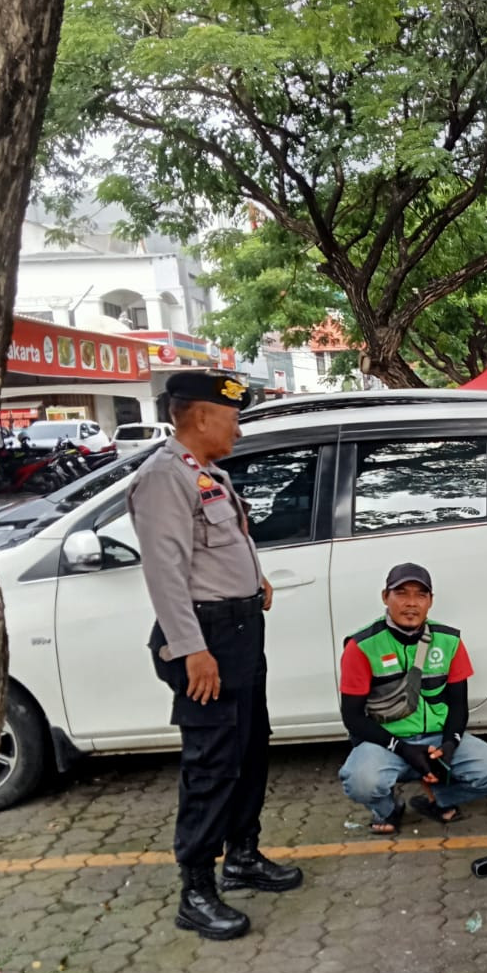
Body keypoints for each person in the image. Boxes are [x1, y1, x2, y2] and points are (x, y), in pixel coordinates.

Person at [127, 370, 302, 942]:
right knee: (211, 763)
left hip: (240, 631)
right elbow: (167, 575)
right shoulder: (163, 479)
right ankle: (196, 889)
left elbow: (217, 551)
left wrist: (256, 581)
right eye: (231, 417)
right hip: (206, 639)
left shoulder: (208, 475)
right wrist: (192, 649)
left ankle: (242, 856)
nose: (237, 427)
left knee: (250, 749)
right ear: (200, 416)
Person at [338, 563, 487, 832]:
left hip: (436, 738)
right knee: (361, 781)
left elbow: (458, 705)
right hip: (386, 743)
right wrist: (403, 748)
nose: (411, 603)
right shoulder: (361, 646)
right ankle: (388, 809)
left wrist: (449, 745)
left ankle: (438, 796)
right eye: (401, 594)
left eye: (420, 595)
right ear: (385, 597)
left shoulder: (449, 641)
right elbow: (352, 717)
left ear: (430, 601)